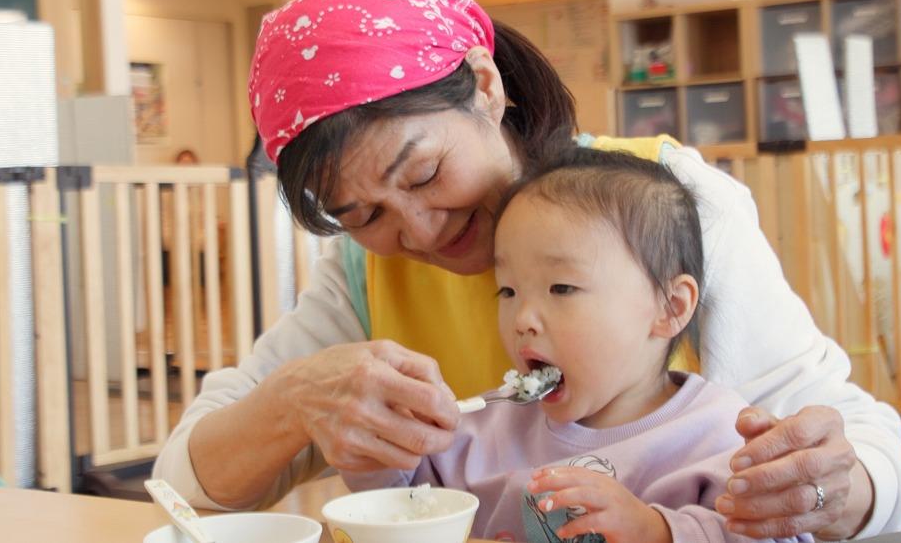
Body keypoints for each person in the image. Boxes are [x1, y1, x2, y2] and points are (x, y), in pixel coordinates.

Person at [152, 0, 901, 539]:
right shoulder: (362, 274)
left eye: (422, 174)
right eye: (363, 215)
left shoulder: (661, 202)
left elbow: (858, 444)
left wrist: (832, 486)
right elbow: (184, 483)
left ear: (485, 86)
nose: (416, 230)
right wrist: (293, 401)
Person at [341, 146, 813, 543]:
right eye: (507, 291)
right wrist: (376, 455)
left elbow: (775, 532)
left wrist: (658, 530)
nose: (522, 319)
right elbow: (411, 504)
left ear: (670, 307)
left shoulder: (718, 433)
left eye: (562, 289)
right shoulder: (479, 432)